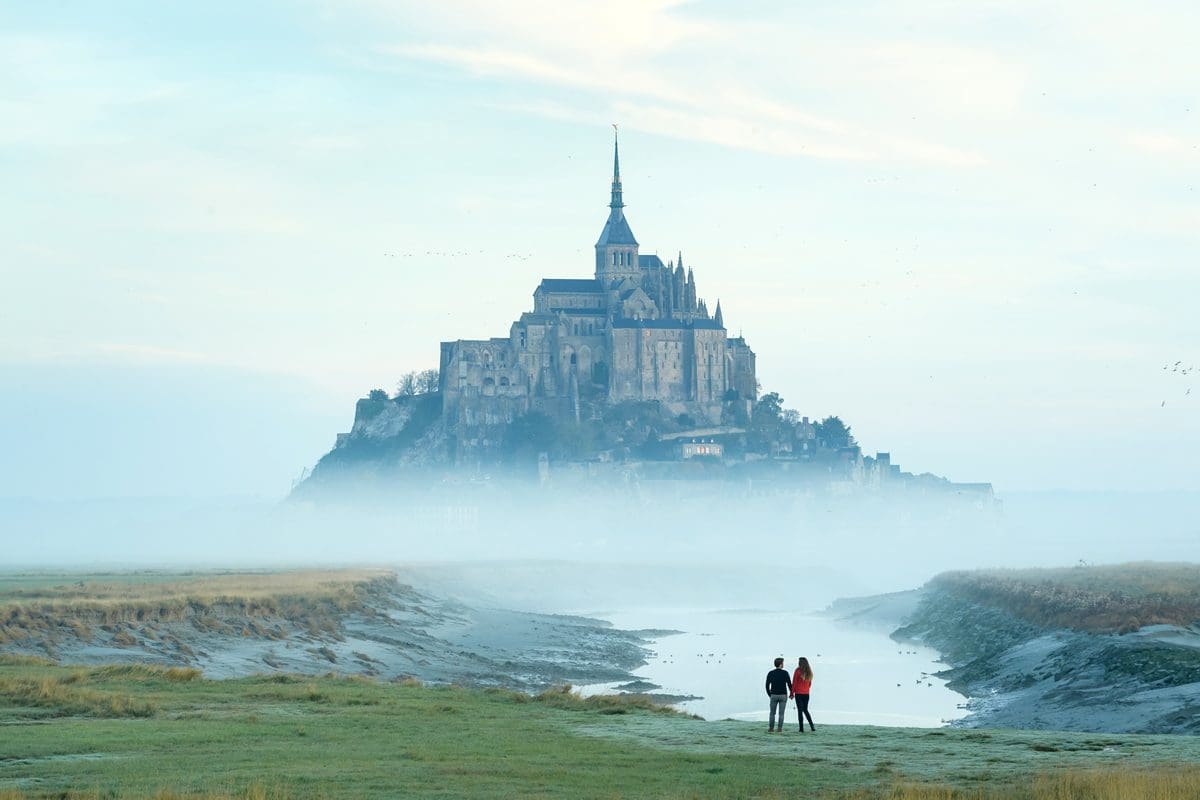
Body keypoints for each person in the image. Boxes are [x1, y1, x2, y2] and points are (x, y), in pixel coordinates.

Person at [764, 656, 792, 732]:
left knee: (772, 713)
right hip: (783, 695)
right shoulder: (785, 673)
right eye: (783, 663)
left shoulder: (770, 673)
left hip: (773, 695)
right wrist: (792, 693)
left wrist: (769, 694)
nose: (783, 664)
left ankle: (771, 728)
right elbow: (789, 684)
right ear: (780, 664)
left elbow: (767, 685)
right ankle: (779, 729)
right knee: (781, 714)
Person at [791, 657, 815, 732]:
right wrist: (806, 689)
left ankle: (801, 728)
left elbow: (794, 683)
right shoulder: (809, 671)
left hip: (799, 693)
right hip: (806, 694)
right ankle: (812, 726)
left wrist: (792, 693)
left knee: (800, 711)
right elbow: (810, 684)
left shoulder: (797, 671)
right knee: (805, 710)